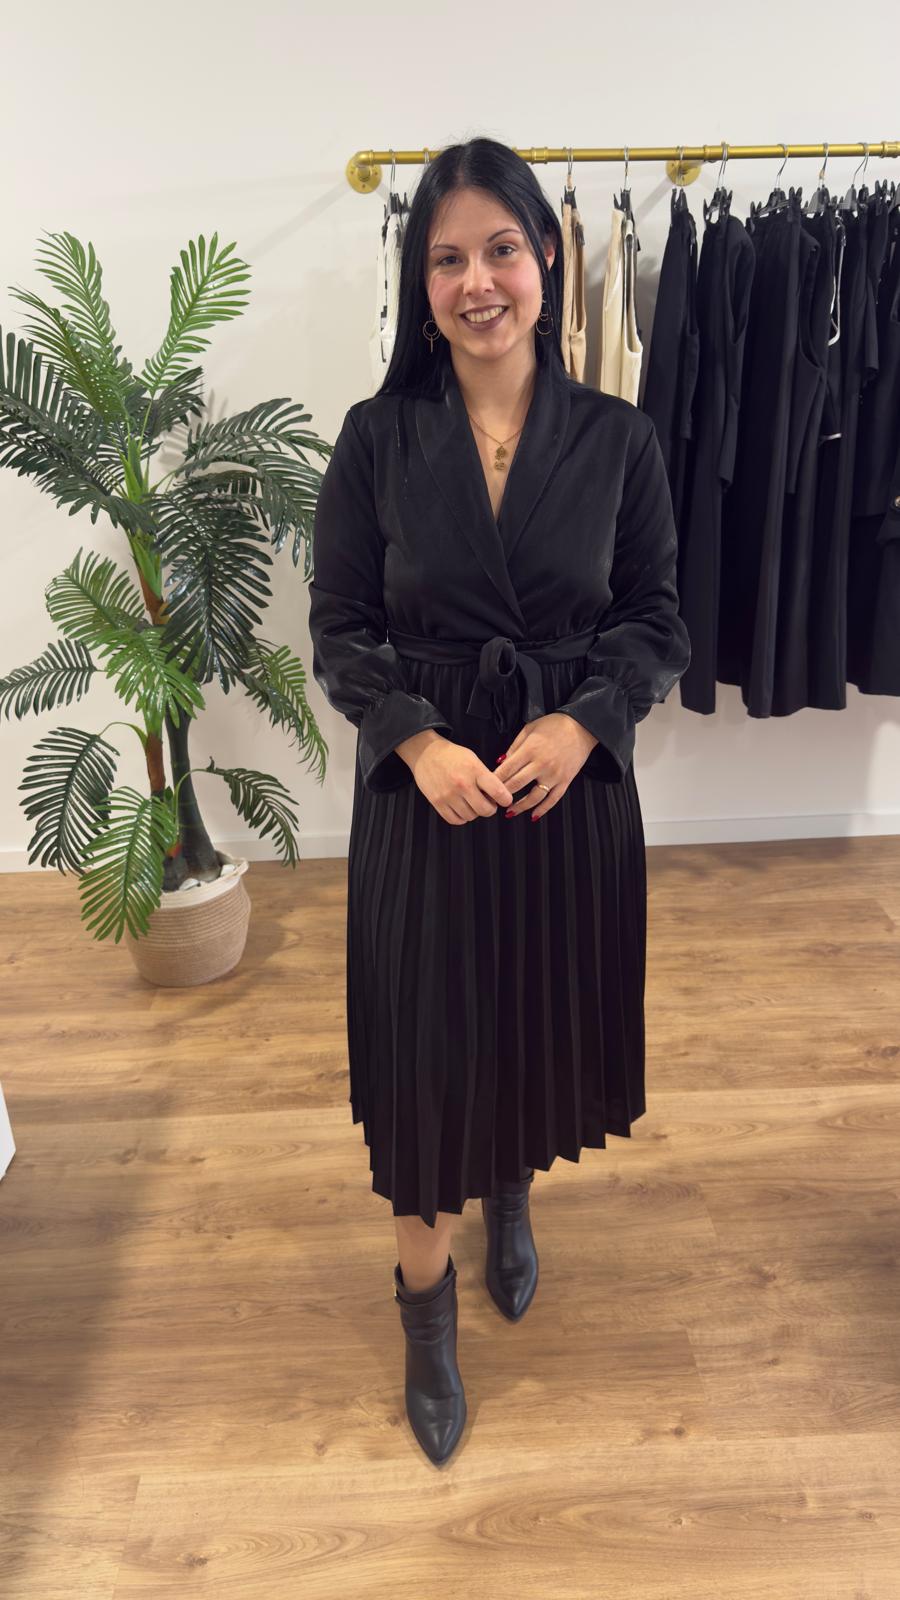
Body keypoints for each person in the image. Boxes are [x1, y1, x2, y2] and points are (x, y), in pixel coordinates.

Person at [308, 137, 691, 1465]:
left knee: (531, 1019)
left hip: (561, 798)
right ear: (422, 285)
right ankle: (426, 1317)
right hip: (425, 803)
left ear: (547, 259)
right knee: (426, 1060)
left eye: (502, 250)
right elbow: (340, 630)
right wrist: (413, 741)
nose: (479, 282)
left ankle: (513, 1195)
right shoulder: (375, 440)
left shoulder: (619, 439)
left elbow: (655, 621)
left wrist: (587, 723)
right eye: (448, 258)